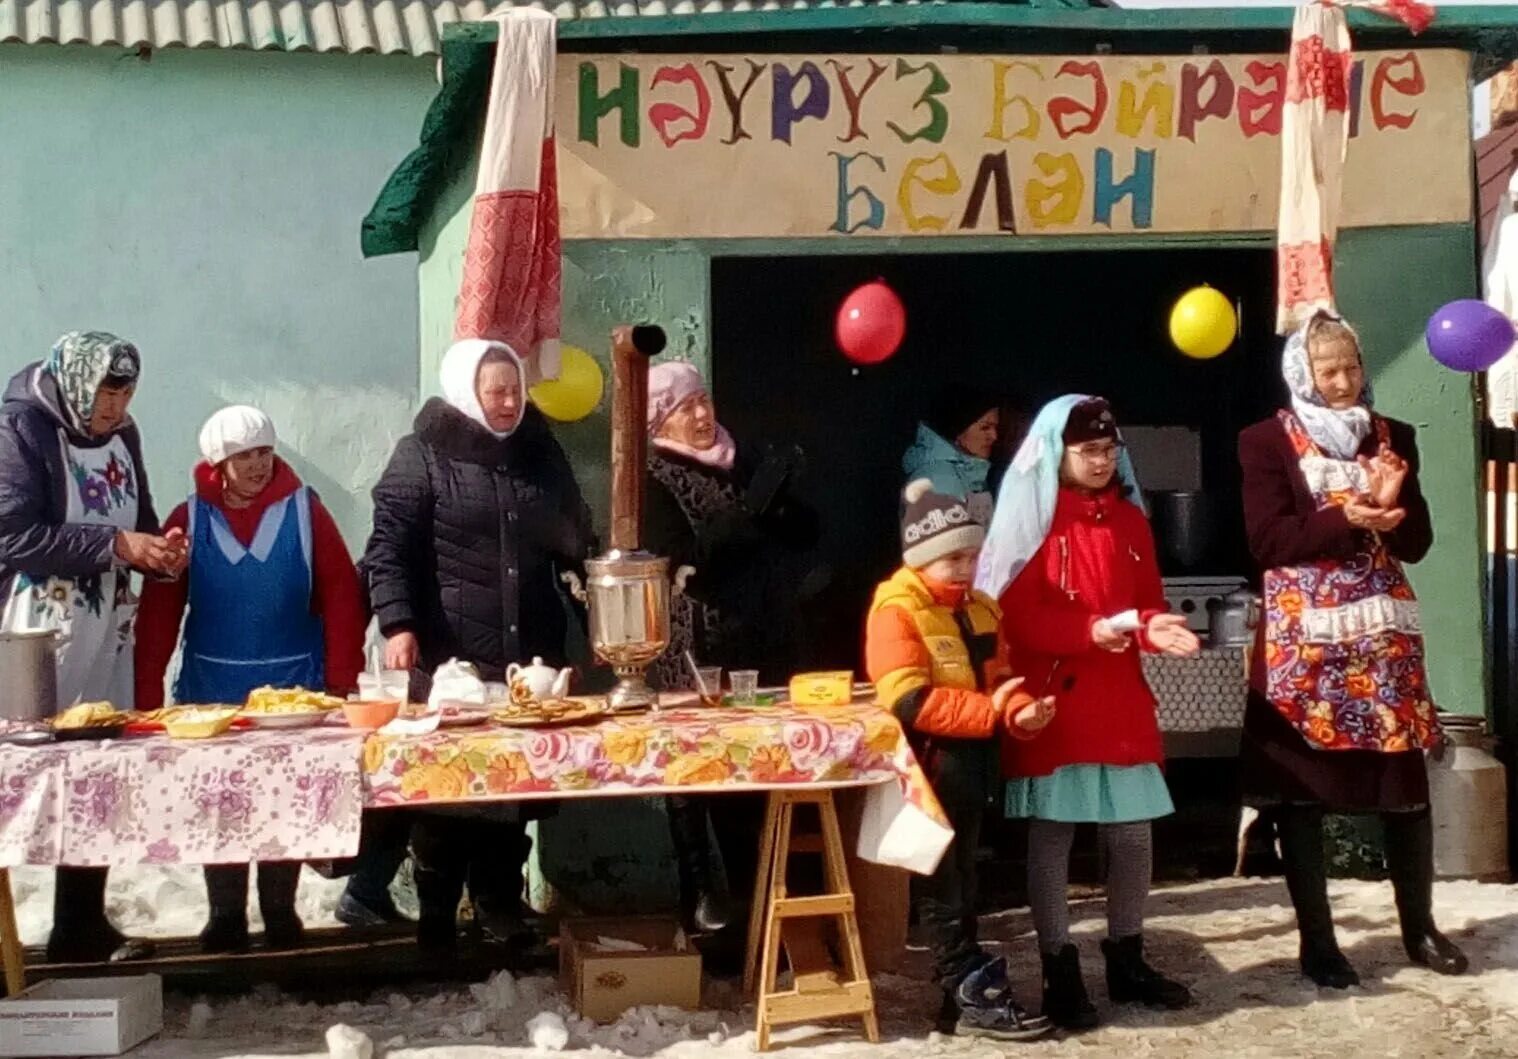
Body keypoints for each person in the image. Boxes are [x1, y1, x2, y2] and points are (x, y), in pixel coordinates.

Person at [1237, 311, 1467, 989]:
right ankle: (1319, 942)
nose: (1344, 382)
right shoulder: (1263, 442)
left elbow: (1418, 541)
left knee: (1402, 787)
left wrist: (1394, 513)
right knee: (1305, 791)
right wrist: (1346, 517)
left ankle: (1419, 927)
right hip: (1307, 643)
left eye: (1352, 368)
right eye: (1328, 371)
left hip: (1381, 637)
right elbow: (1268, 540)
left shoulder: (1393, 436)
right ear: (1302, 376)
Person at [364, 338, 594, 953]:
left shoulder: (540, 453)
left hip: (530, 653)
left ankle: (500, 903)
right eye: (495, 391)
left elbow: (576, 538)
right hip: (449, 657)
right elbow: (387, 547)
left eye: (514, 389)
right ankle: (438, 911)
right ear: (467, 391)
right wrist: (398, 623)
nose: (508, 401)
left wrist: (592, 615)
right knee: (447, 790)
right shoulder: (423, 455)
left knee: (514, 785)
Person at [978, 395, 1198, 1031]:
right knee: (1054, 834)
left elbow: (1148, 602)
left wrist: (1162, 630)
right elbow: (1015, 617)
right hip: (1057, 700)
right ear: (1057, 454)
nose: (1101, 461)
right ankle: (1059, 964)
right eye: (1087, 451)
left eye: (1108, 450)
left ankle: (1127, 955)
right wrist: (1090, 630)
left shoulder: (1132, 523)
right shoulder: (1033, 523)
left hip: (1120, 699)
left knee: (1132, 835)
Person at [135, 405, 366, 952]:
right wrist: (146, 697)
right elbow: (161, 611)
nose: (258, 465)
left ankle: (281, 912)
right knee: (220, 805)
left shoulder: (307, 512)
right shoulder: (188, 519)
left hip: (295, 690)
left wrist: (340, 678)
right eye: (244, 457)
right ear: (219, 463)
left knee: (284, 801)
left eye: (264, 452)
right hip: (209, 696)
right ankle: (225, 915)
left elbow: (340, 593)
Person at [0, 331, 186, 963]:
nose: (115, 408)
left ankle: (80, 921)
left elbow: (138, 518)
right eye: (107, 393)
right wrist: (115, 547)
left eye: (127, 393)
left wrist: (158, 552)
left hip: (106, 627)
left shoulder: (124, 434)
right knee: (22, 775)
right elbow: (13, 536)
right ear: (77, 381)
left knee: (95, 770)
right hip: (33, 632)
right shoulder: (19, 430)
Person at [865, 478, 1056, 1042]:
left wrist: (1020, 710)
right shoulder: (896, 611)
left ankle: (960, 995)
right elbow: (905, 697)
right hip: (930, 768)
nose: (966, 567)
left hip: (975, 764)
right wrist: (990, 714)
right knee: (943, 884)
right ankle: (967, 991)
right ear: (921, 558)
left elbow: (1000, 678)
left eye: (973, 555)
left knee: (967, 877)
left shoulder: (981, 608)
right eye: (953, 558)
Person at [641, 361, 824, 947]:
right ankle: (710, 908)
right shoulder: (654, 481)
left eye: (704, 401)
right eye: (686, 407)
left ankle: (773, 909)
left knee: (765, 782)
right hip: (700, 656)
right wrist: (747, 513)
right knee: (705, 780)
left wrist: (782, 497)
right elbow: (687, 562)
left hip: (767, 644)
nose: (702, 415)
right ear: (661, 419)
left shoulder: (736, 461)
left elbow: (802, 535)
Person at [902, 388, 1001, 524]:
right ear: (958, 430)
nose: (994, 436)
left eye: (996, 428)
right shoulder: (939, 480)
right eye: (985, 428)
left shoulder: (969, 473)